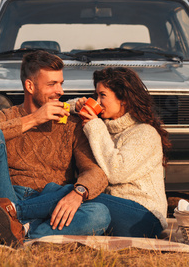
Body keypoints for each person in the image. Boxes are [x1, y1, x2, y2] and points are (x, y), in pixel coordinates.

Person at [0, 50, 110, 247]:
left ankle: (15, 230)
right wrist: (34, 119)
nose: (60, 91)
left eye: (61, 83)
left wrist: (78, 193)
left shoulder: (71, 124)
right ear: (30, 85)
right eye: (52, 84)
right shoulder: (5, 115)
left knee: (100, 214)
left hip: (48, 203)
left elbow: (95, 171)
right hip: (4, 196)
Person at [70, 67, 170, 238]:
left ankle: (18, 210)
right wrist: (79, 105)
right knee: (65, 199)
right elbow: (68, 108)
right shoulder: (106, 129)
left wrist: (94, 125)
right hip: (115, 210)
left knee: (69, 194)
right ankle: (27, 228)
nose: (98, 101)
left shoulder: (145, 133)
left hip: (144, 217)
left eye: (103, 95)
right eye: (96, 96)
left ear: (123, 99)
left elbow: (116, 172)